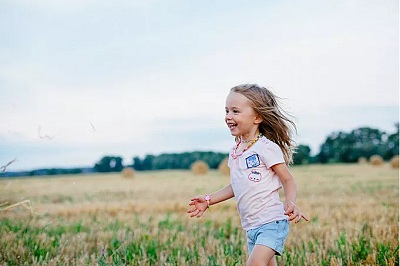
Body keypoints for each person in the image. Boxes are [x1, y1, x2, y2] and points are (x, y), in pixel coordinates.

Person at [187, 84, 308, 266]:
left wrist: (290, 202)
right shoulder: (236, 151)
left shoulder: (266, 148)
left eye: (235, 111)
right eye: (227, 111)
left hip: (271, 222)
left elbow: (287, 179)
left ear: (257, 117)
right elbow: (236, 185)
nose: (228, 116)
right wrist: (208, 199)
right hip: (251, 226)